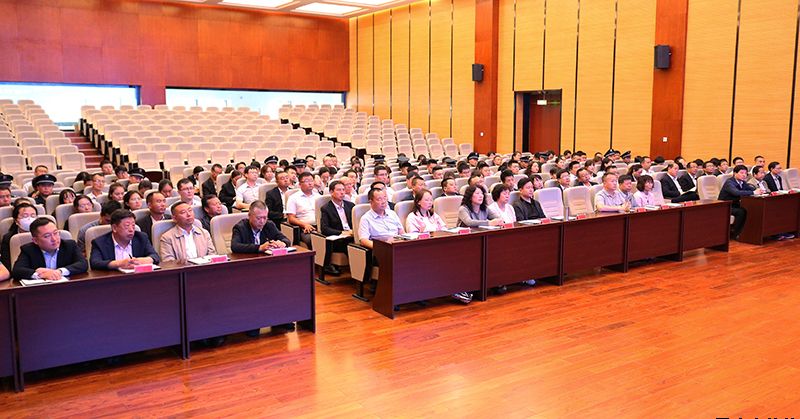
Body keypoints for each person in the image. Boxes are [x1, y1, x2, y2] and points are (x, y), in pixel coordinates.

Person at [12, 218, 88, 280]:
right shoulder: (28, 250)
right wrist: (41, 274)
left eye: (55, 233)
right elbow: (17, 271)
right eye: (47, 236)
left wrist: (59, 272)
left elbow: (83, 264)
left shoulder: (69, 245)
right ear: (35, 240)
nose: (54, 239)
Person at [90, 209, 159, 270]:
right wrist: (119, 263)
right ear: (114, 228)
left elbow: (155, 256)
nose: (131, 230)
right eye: (127, 226)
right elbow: (95, 263)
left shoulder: (141, 238)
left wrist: (144, 260)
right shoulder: (100, 243)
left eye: (133, 226)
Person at [718, 164, 765, 239]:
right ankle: (735, 233)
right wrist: (753, 192)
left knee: (752, 209)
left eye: (745, 173)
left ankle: (749, 232)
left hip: (735, 204)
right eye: (741, 173)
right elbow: (736, 193)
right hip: (725, 206)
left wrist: (759, 191)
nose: (744, 175)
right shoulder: (729, 183)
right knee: (741, 212)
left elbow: (751, 189)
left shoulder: (742, 182)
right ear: (735, 173)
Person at [318, 180, 355, 276]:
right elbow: (325, 229)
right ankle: (357, 272)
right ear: (331, 192)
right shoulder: (326, 208)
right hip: (339, 238)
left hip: (352, 234)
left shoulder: (351, 206)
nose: (342, 192)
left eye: (343, 190)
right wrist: (342, 232)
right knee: (351, 245)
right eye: (339, 190)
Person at [285, 172, 319, 248]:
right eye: (307, 181)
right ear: (300, 184)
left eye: (311, 180)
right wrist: (304, 225)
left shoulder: (318, 197)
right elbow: (291, 218)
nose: (310, 183)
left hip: (320, 227)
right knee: (313, 240)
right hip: (304, 228)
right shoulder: (293, 198)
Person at [1, 202, 38, 269]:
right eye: (25, 216)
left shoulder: (42, 234)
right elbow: (6, 264)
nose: (29, 219)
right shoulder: (8, 238)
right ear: (16, 220)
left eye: (33, 216)